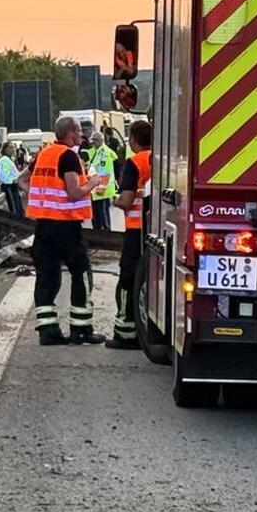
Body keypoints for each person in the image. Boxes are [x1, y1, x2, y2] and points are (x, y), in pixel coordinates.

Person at [28, 115, 102, 345]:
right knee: (81, 273)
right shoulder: (69, 156)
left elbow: (22, 180)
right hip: (66, 227)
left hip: (43, 225)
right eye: (79, 131)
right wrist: (93, 182)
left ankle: (48, 332)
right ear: (70, 134)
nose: (82, 135)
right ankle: (81, 330)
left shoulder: (44, 153)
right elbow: (74, 192)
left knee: (47, 276)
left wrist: (41, 199)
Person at [108, 120, 153, 350]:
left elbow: (126, 201)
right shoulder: (161, 159)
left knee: (128, 279)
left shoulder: (134, 163)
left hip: (136, 231)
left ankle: (126, 333)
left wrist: (115, 200)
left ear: (134, 139)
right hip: (155, 230)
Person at [85, 131, 117, 231]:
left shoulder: (105, 153)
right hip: (95, 187)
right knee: (96, 215)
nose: (93, 143)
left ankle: (106, 235)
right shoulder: (95, 151)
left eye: (95, 141)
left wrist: (100, 188)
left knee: (102, 215)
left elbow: (105, 172)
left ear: (100, 140)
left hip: (102, 189)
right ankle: (97, 233)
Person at [0, 142, 21, 212]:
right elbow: (5, 174)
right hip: (9, 186)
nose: (13, 149)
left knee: (17, 205)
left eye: (13, 147)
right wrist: (13, 180)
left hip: (13, 185)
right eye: (10, 147)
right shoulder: (4, 160)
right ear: (5, 149)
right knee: (13, 206)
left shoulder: (10, 159)